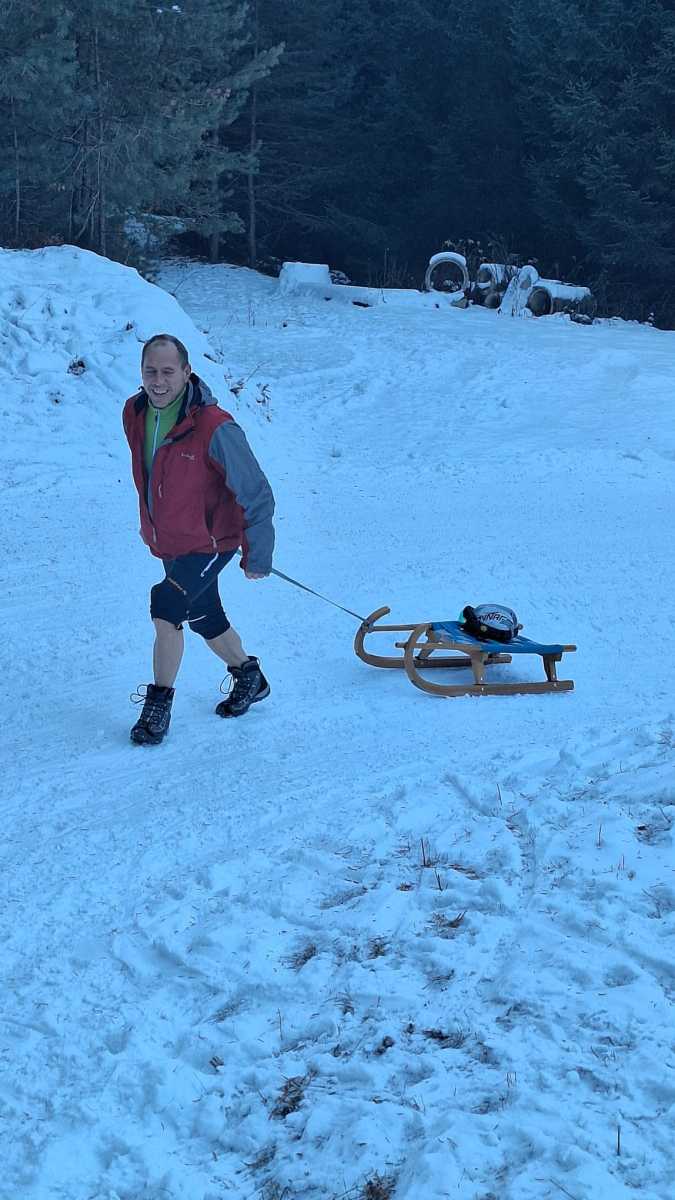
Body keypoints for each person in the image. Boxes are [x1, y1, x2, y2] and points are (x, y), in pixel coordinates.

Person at [122, 333, 275, 745]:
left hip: (212, 541)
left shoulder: (215, 427)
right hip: (171, 540)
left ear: (187, 372)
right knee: (204, 614)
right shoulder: (135, 412)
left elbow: (256, 491)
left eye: (168, 371)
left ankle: (158, 705)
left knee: (168, 603)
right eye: (150, 371)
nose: (158, 381)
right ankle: (250, 676)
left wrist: (258, 552)